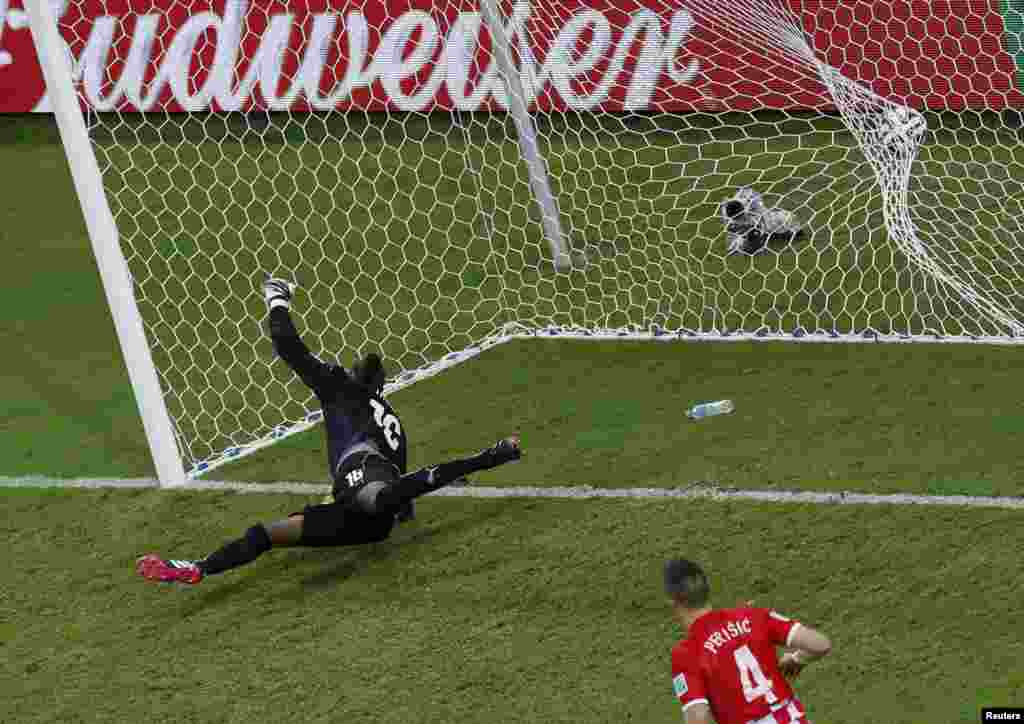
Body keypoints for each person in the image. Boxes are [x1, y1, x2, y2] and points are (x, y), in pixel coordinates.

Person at [136, 277, 521, 586]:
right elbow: (402, 490)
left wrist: (277, 297)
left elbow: (289, 346)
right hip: (369, 522)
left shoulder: (341, 389)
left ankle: (200, 567)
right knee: (274, 532)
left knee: (282, 529)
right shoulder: (392, 421)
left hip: (362, 490)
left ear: (354, 376)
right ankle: (197, 568)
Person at [665, 559, 832, 724]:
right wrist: (797, 660)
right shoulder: (754, 616)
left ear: (673, 601)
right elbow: (820, 644)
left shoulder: (686, 654)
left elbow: (698, 717)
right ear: (707, 589)